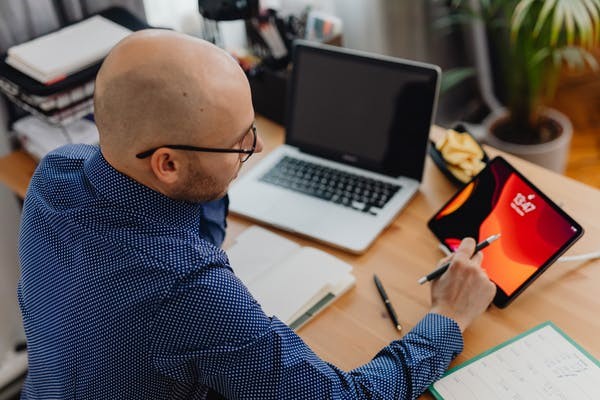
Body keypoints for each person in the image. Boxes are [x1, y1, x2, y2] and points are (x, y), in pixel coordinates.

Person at [17, 29, 496, 399]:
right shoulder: (185, 288)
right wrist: (447, 316)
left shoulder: (56, 172)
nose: (259, 146)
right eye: (238, 142)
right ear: (167, 164)